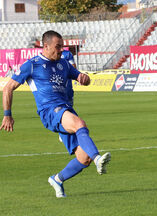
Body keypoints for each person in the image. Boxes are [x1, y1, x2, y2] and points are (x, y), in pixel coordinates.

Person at [0, 31, 111, 198]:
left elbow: (82, 77)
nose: (61, 50)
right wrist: (7, 114)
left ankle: (57, 179)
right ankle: (98, 159)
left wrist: (84, 78)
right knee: (80, 124)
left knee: (83, 158)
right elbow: (8, 88)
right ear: (46, 46)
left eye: (62, 47)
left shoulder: (64, 64)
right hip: (50, 111)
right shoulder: (32, 65)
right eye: (57, 47)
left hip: (65, 109)